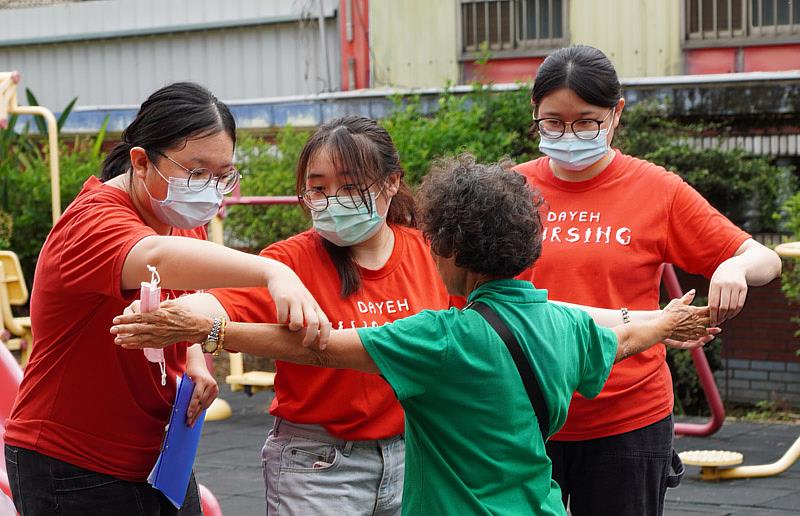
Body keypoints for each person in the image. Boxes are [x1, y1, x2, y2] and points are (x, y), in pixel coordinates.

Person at [111, 155, 718, 515]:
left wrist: (215, 329)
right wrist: (665, 322)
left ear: (448, 249)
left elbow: (319, 346)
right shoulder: (559, 325)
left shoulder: (441, 338)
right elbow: (612, 330)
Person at [3, 82, 328, 516]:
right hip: (72, 460)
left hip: (157, 457)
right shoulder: (92, 222)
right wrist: (273, 270)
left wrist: (194, 357)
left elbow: (188, 293)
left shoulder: (176, 216)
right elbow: (154, 257)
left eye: (223, 174)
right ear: (140, 161)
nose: (210, 189)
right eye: (196, 172)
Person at [515, 45, 783, 515]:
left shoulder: (656, 189)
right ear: (534, 114)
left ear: (616, 114)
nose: (569, 135)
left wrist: (734, 266)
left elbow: (762, 257)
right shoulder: (510, 190)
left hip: (627, 418)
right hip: (525, 414)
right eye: (553, 122)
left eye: (586, 122)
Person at [148, 115, 452, 515]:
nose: (332, 200)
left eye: (350, 186)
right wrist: (173, 316)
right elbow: (217, 303)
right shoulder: (288, 263)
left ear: (392, 182)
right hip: (318, 466)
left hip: (414, 454)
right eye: (318, 188)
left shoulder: (430, 252)